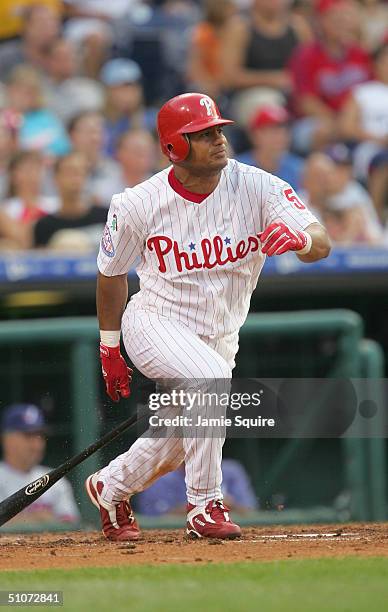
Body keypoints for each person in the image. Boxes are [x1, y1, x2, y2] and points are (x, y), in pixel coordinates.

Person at [85, 92, 330, 542]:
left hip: (221, 334)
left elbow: (321, 241)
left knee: (180, 440)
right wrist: (109, 344)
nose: (218, 139)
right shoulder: (138, 202)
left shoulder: (258, 186)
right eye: (202, 134)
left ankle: (109, 486)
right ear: (174, 148)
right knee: (209, 381)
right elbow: (110, 275)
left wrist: (299, 237)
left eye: (219, 130)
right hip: (156, 320)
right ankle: (203, 504)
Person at [290, 0, 372, 154]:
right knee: (323, 131)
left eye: (344, 17)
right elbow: (306, 102)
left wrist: (351, 123)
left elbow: (371, 93)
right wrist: (340, 123)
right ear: (320, 21)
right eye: (334, 18)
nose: (341, 22)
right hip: (318, 120)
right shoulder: (306, 55)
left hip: (355, 120)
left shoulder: (360, 53)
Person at [0, 403, 80, 526]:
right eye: (28, 436)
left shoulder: (56, 479)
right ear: (6, 439)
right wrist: (37, 519)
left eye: (40, 436)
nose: (36, 444)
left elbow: (72, 525)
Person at [33, 152, 107, 250]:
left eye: (81, 172)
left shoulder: (106, 217)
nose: (76, 178)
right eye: (70, 171)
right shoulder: (44, 226)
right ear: (56, 178)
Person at [136, 460, 258, 516]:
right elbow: (153, 519)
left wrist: (226, 504)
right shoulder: (161, 476)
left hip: (226, 530)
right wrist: (204, 504)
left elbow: (248, 510)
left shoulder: (231, 471)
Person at [237, 105, 304, 190]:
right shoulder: (238, 168)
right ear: (255, 135)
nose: (281, 136)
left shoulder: (298, 169)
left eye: (284, 130)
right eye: (273, 131)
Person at [68, 111, 122, 207]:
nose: (95, 138)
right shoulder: (60, 168)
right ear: (72, 135)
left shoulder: (116, 170)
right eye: (89, 132)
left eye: (99, 132)